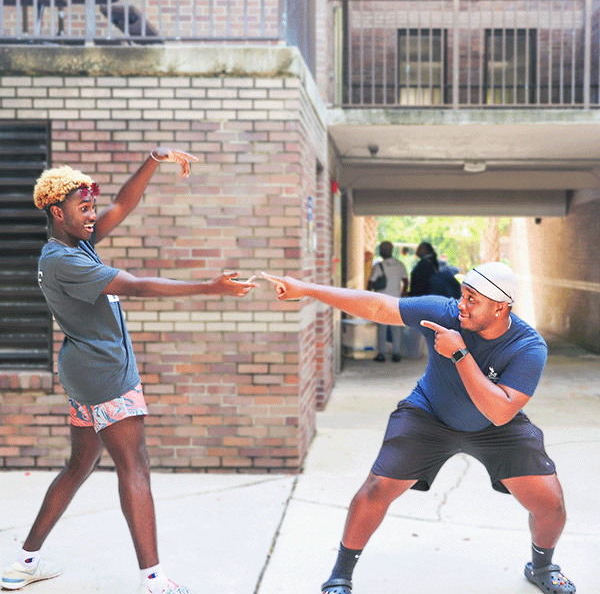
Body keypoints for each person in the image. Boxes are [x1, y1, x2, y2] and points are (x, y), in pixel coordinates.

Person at [1, 150, 257, 594]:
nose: (94, 216)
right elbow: (136, 287)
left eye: (91, 208)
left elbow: (123, 202)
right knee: (134, 467)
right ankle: (155, 580)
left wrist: (153, 161)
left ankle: (23, 563)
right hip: (107, 376)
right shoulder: (67, 261)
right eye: (84, 209)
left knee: (80, 464)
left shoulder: (71, 242)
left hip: (83, 374)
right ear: (57, 212)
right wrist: (210, 287)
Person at [262, 263, 575, 594]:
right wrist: (306, 289)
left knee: (550, 503)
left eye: (472, 300)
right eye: (462, 295)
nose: (462, 305)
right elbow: (376, 305)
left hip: (495, 425)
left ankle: (541, 566)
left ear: (500, 307)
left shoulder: (529, 345)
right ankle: (340, 575)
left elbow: (499, 411)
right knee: (376, 488)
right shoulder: (444, 312)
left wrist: (460, 354)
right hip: (430, 414)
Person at [366, 241, 408, 362]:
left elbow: (371, 283)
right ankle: (396, 354)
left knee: (382, 328)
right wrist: (404, 293)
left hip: (381, 301)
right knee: (396, 327)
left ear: (381, 251)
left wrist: (368, 295)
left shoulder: (379, 266)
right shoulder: (400, 265)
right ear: (391, 250)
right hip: (396, 300)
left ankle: (381, 354)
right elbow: (405, 280)